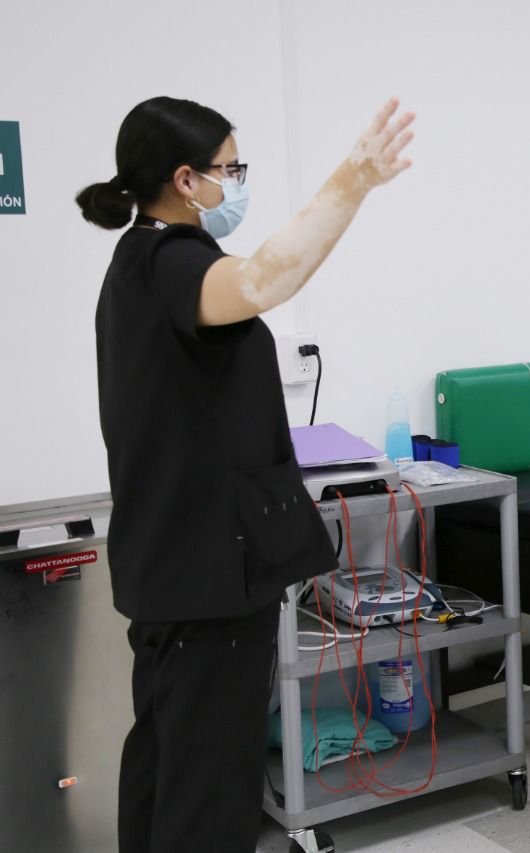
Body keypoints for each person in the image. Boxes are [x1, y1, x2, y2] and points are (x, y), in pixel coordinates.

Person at [78, 96, 414, 853]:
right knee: (209, 784)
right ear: (186, 179)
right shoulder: (172, 262)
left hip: (169, 563)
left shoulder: (135, 261)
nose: (239, 182)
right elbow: (265, 280)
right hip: (207, 574)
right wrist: (354, 179)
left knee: (166, 763)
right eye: (231, 169)